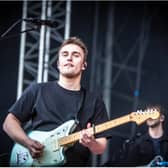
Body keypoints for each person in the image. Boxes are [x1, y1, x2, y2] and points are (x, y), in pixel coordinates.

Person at [3, 37, 110, 166]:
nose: (69, 58)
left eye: (76, 55)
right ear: (58, 63)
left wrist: (90, 142)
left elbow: (101, 147)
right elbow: (9, 123)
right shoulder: (38, 90)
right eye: (65, 54)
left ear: (84, 65)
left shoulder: (94, 101)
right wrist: (27, 142)